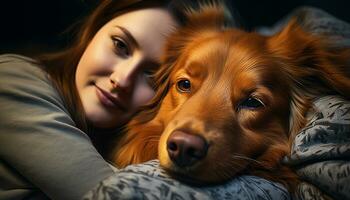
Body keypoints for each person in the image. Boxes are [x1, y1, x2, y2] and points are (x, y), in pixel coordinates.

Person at [0, 0, 182, 199]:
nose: (121, 80)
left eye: (152, 75)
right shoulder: (12, 81)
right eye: (120, 45)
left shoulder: (122, 146)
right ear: (94, 30)